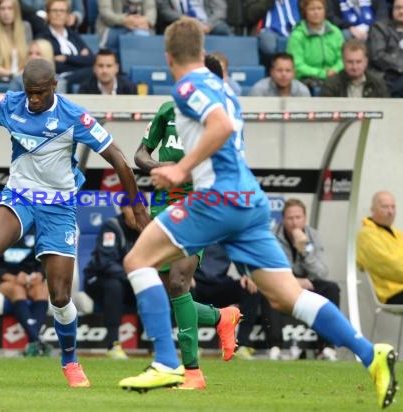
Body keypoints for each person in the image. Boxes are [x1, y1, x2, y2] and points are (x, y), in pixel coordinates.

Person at [118, 19, 396, 411]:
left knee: (137, 259)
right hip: (249, 201)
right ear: (202, 52)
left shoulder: (187, 87)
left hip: (217, 197)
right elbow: (225, 123)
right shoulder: (223, 87)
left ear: (168, 57)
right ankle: (371, 354)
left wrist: (182, 169)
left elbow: (220, 126)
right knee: (287, 296)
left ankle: (166, 361)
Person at [0, 58, 149, 388]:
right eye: (29, 93)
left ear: (53, 87)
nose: (33, 100)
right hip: (20, 196)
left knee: (61, 296)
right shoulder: (9, 105)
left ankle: (70, 361)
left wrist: (137, 206)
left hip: (59, 206)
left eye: (39, 94)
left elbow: (119, 159)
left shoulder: (73, 116)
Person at [134, 56, 241, 389]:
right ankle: (223, 317)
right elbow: (140, 154)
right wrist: (158, 168)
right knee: (171, 292)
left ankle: (192, 371)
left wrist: (191, 176)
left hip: (196, 208)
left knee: (180, 282)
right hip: (162, 208)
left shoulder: (219, 122)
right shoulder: (168, 111)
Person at [264, 198, 340, 361]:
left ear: (304, 219)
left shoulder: (313, 235)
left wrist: (304, 251)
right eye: (290, 218)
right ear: (283, 219)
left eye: (298, 217)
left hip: (309, 283)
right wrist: (295, 282)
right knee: (268, 291)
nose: (294, 222)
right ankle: (275, 347)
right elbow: (272, 270)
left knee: (331, 288)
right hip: (283, 284)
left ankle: (326, 348)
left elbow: (322, 272)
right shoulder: (273, 237)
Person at [83, 204, 139, 359]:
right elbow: (106, 263)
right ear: (123, 209)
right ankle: (113, 344)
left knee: (157, 285)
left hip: (128, 281)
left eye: (141, 208)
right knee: (114, 285)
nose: (136, 212)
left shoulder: (146, 228)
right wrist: (133, 276)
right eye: (131, 208)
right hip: (98, 280)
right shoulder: (112, 226)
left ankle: (159, 343)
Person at [191, 244, 260, 361]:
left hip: (220, 284)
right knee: (182, 290)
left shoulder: (227, 233)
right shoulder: (193, 231)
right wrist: (185, 275)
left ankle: (242, 346)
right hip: (195, 283)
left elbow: (239, 254)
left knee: (251, 289)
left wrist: (246, 275)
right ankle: (192, 346)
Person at [0, 228, 51, 357]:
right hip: (5, 280)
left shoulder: (38, 230)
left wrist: (40, 275)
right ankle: (36, 340)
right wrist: (12, 278)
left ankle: (33, 343)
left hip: (30, 279)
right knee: (17, 290)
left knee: (43, 290)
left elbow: (46, 258)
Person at [286, 0, 344, 95]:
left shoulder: (335, 32)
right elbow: (296, 65)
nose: (316, 12)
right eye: (312, 9)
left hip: (335, 76)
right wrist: (322, 73)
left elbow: (343, 58)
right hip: (307, 79)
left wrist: (335, 70)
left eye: (319, 8)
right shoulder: (297, 36)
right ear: (305, 12)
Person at [38, 0, 95, 93]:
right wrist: (80, 59)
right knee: (96, 71)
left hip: (80, 75)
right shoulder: (43, 37)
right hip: (59, 77)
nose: (58, 14)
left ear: (67, 15)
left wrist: (66, 58)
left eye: (62, 11)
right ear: (48, 14)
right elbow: (54, 65)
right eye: (54, 10)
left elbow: (91, 59)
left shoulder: (74, 35)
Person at [357, 191, 403, 304]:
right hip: (391, 292)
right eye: (385, 207)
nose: (390, 211)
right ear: (373, 209)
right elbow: (390, 266)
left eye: (393, 207)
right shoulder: (367, 235)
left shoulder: (397, 234)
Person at [320, 39, 390, 97]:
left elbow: (387, 110)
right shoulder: (331, 84)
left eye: (358, 62)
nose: (354, 67)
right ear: (343, 62)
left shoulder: (378, 83)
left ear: (366, 62)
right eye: (350, 62)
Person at [367, 0, 403, 97]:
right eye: (398, 8)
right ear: (392, 9)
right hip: (387, 76)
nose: (401, 11)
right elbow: (377, 56)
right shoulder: (379, 28)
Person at [156, 0, 233, 35]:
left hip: (207, 23)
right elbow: (164, 10)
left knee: (223, 30)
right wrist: (182, 18)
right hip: (181, 22)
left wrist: (208, 25)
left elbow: (220, 10)